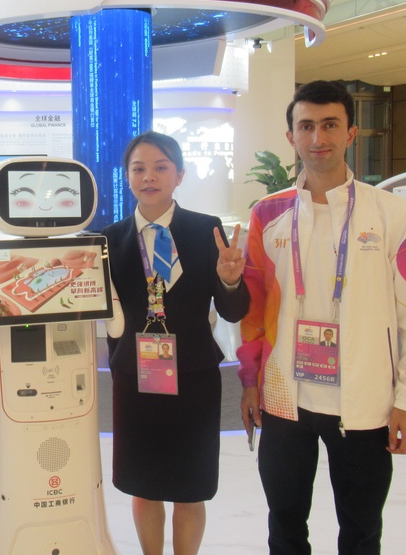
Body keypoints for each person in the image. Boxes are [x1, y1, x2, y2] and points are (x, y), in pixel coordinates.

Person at [238, 80, 406, 554]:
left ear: (352, 133)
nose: (318, 137)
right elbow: (252, 309)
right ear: (291, 136)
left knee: (362, 529)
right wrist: (250, 381)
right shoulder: (269, 213)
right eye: (306, 126)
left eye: (330, 125)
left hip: (365, 401)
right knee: (284, 523)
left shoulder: (392, 212)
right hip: (285, 397)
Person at [103, 131, 250, 555]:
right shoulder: (108, 242)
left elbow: (233, 310)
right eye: (139, 168)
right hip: (136, 377)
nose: (149, 177)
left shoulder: (208, 231)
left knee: (190, 488)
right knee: (144, 485)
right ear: (127, 176)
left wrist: (229, 278)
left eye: (161, 167)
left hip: (194, 377)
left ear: (179, 175)